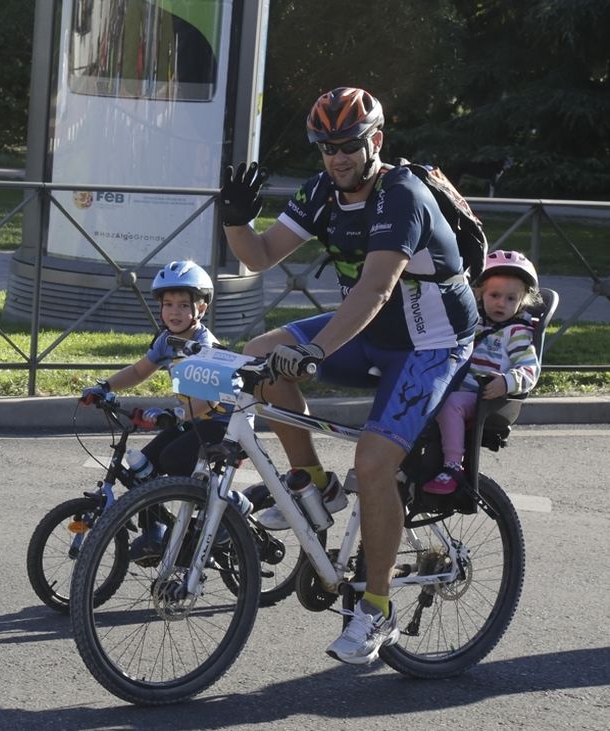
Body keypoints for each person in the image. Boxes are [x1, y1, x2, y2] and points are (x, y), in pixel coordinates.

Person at [219, 86, 479, 665]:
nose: (337, 157)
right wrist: (235, 219)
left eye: (348, 145)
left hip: (431, 344)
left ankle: (377, 610)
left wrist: (317, 351)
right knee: (261, 357)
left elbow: (377, 287)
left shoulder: (401, 195)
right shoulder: (321, 193)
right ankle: (313, 483)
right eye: (326, 147)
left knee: (373, 461)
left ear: (375, 141)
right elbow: (259, 256)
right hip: (369, 334)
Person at [79, 260, 247, 560]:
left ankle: (230, 503)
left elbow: (211, 399)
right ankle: (153, 533)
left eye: (184, 305)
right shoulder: (166, 341)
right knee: (143, 467)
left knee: (173, 459)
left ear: (201, 310)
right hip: (194, 419)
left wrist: (176, 416)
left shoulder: (205, 346)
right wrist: (105, 387)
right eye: (168, 304)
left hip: (224, 421)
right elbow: (138, 371)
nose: (174, 312)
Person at [425, 250, 542, 495]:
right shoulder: (475, 322)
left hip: (486, 395)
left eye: (511, 298)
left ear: (521, 302)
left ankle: (453, 466)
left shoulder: (517, 332)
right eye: (495, 295)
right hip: (459, 387)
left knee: (450, 405)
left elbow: (530, 369)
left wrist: (507, 382)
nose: (501, 303)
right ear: (480, 294)